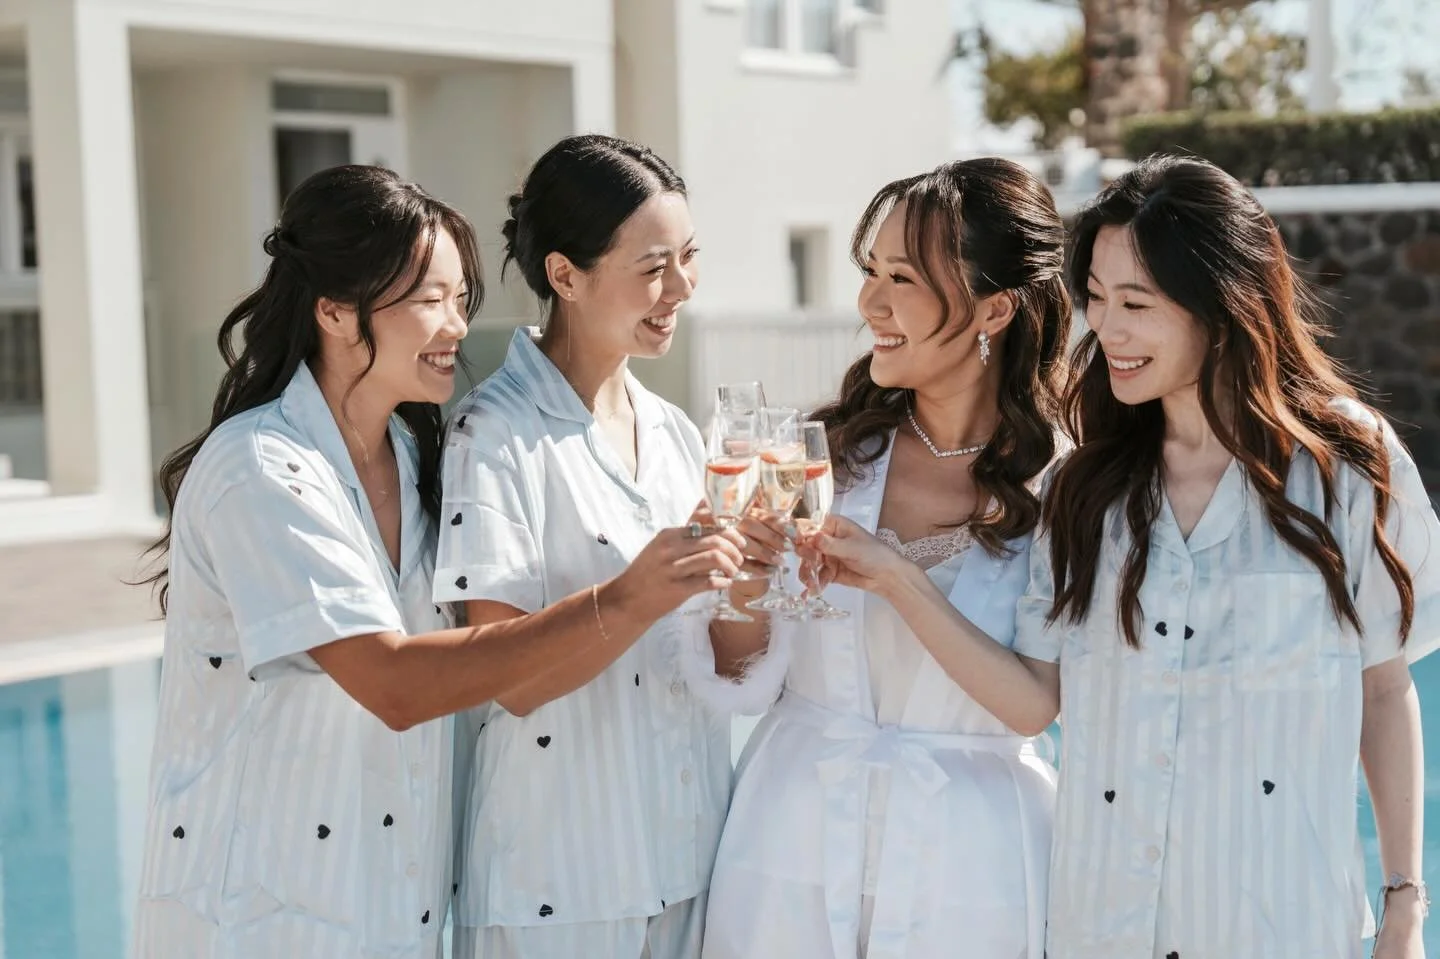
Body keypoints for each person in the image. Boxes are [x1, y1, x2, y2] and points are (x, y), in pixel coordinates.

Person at [814, 155, 1440, 959]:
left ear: (1222, 302)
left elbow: (1384, 689)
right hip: (1104, 927)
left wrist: (1404, 902)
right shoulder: (1082, 488)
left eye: (1136, 304)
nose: (1108, 330)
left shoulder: (1347, 467)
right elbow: (1034, 694)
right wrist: (897, 578)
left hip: (1280, 924)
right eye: (1098, 299)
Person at [131, 165, 727, 958]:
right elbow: (396, 683)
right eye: (429, 300)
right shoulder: (261, 468)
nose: (456, 325)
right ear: (335, 311)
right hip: (256, 921)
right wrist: (624, 599)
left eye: (461, 298)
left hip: (388, 915)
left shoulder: (415, 464)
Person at [681, 157, 1070, 959]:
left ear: (994, 307)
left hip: (972, 865)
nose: (870, 302)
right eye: (870, 271)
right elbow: (743, 670)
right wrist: (745, 576)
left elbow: (1032, 706)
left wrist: (896, 577)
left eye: (903, 277)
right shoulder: (827, 455)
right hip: (794, 839)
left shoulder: (1064, 487)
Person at [434, 134, 766, 959]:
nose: (681, 287)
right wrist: (636, 594)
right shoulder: (491, 434)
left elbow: (723, 664)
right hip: (559, 888)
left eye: (688, 257)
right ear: (565, 275)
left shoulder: (678, 434)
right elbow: (505, 676)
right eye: (654, 267)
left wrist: (752, 579)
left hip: (690, 863)